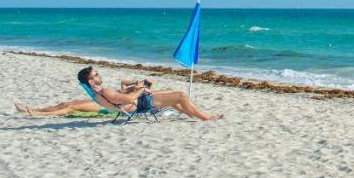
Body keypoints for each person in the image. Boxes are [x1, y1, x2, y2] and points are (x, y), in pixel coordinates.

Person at [77, 66, 223, 121]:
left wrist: (136, 86)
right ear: (90, 81)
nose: (99, 76)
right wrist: (140, 88)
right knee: (181, 96)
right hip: (141, 104)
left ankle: (191, 113)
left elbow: (121, 96)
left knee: (171, 91)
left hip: (137, 102)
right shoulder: (104, 91)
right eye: (96, 75)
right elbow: (129, 99)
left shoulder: (99, 94)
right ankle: (205, 118)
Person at [15, 77, 154, 116]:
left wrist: (140, 88)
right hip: (103, 100)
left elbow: (127, 100)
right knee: (65, 103)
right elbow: (123, 83)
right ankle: (36, 109)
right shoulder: (131, 89)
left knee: (70, 107)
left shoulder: (136, 94)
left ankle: (34, 113)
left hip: (106, 107)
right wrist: (137, 83)